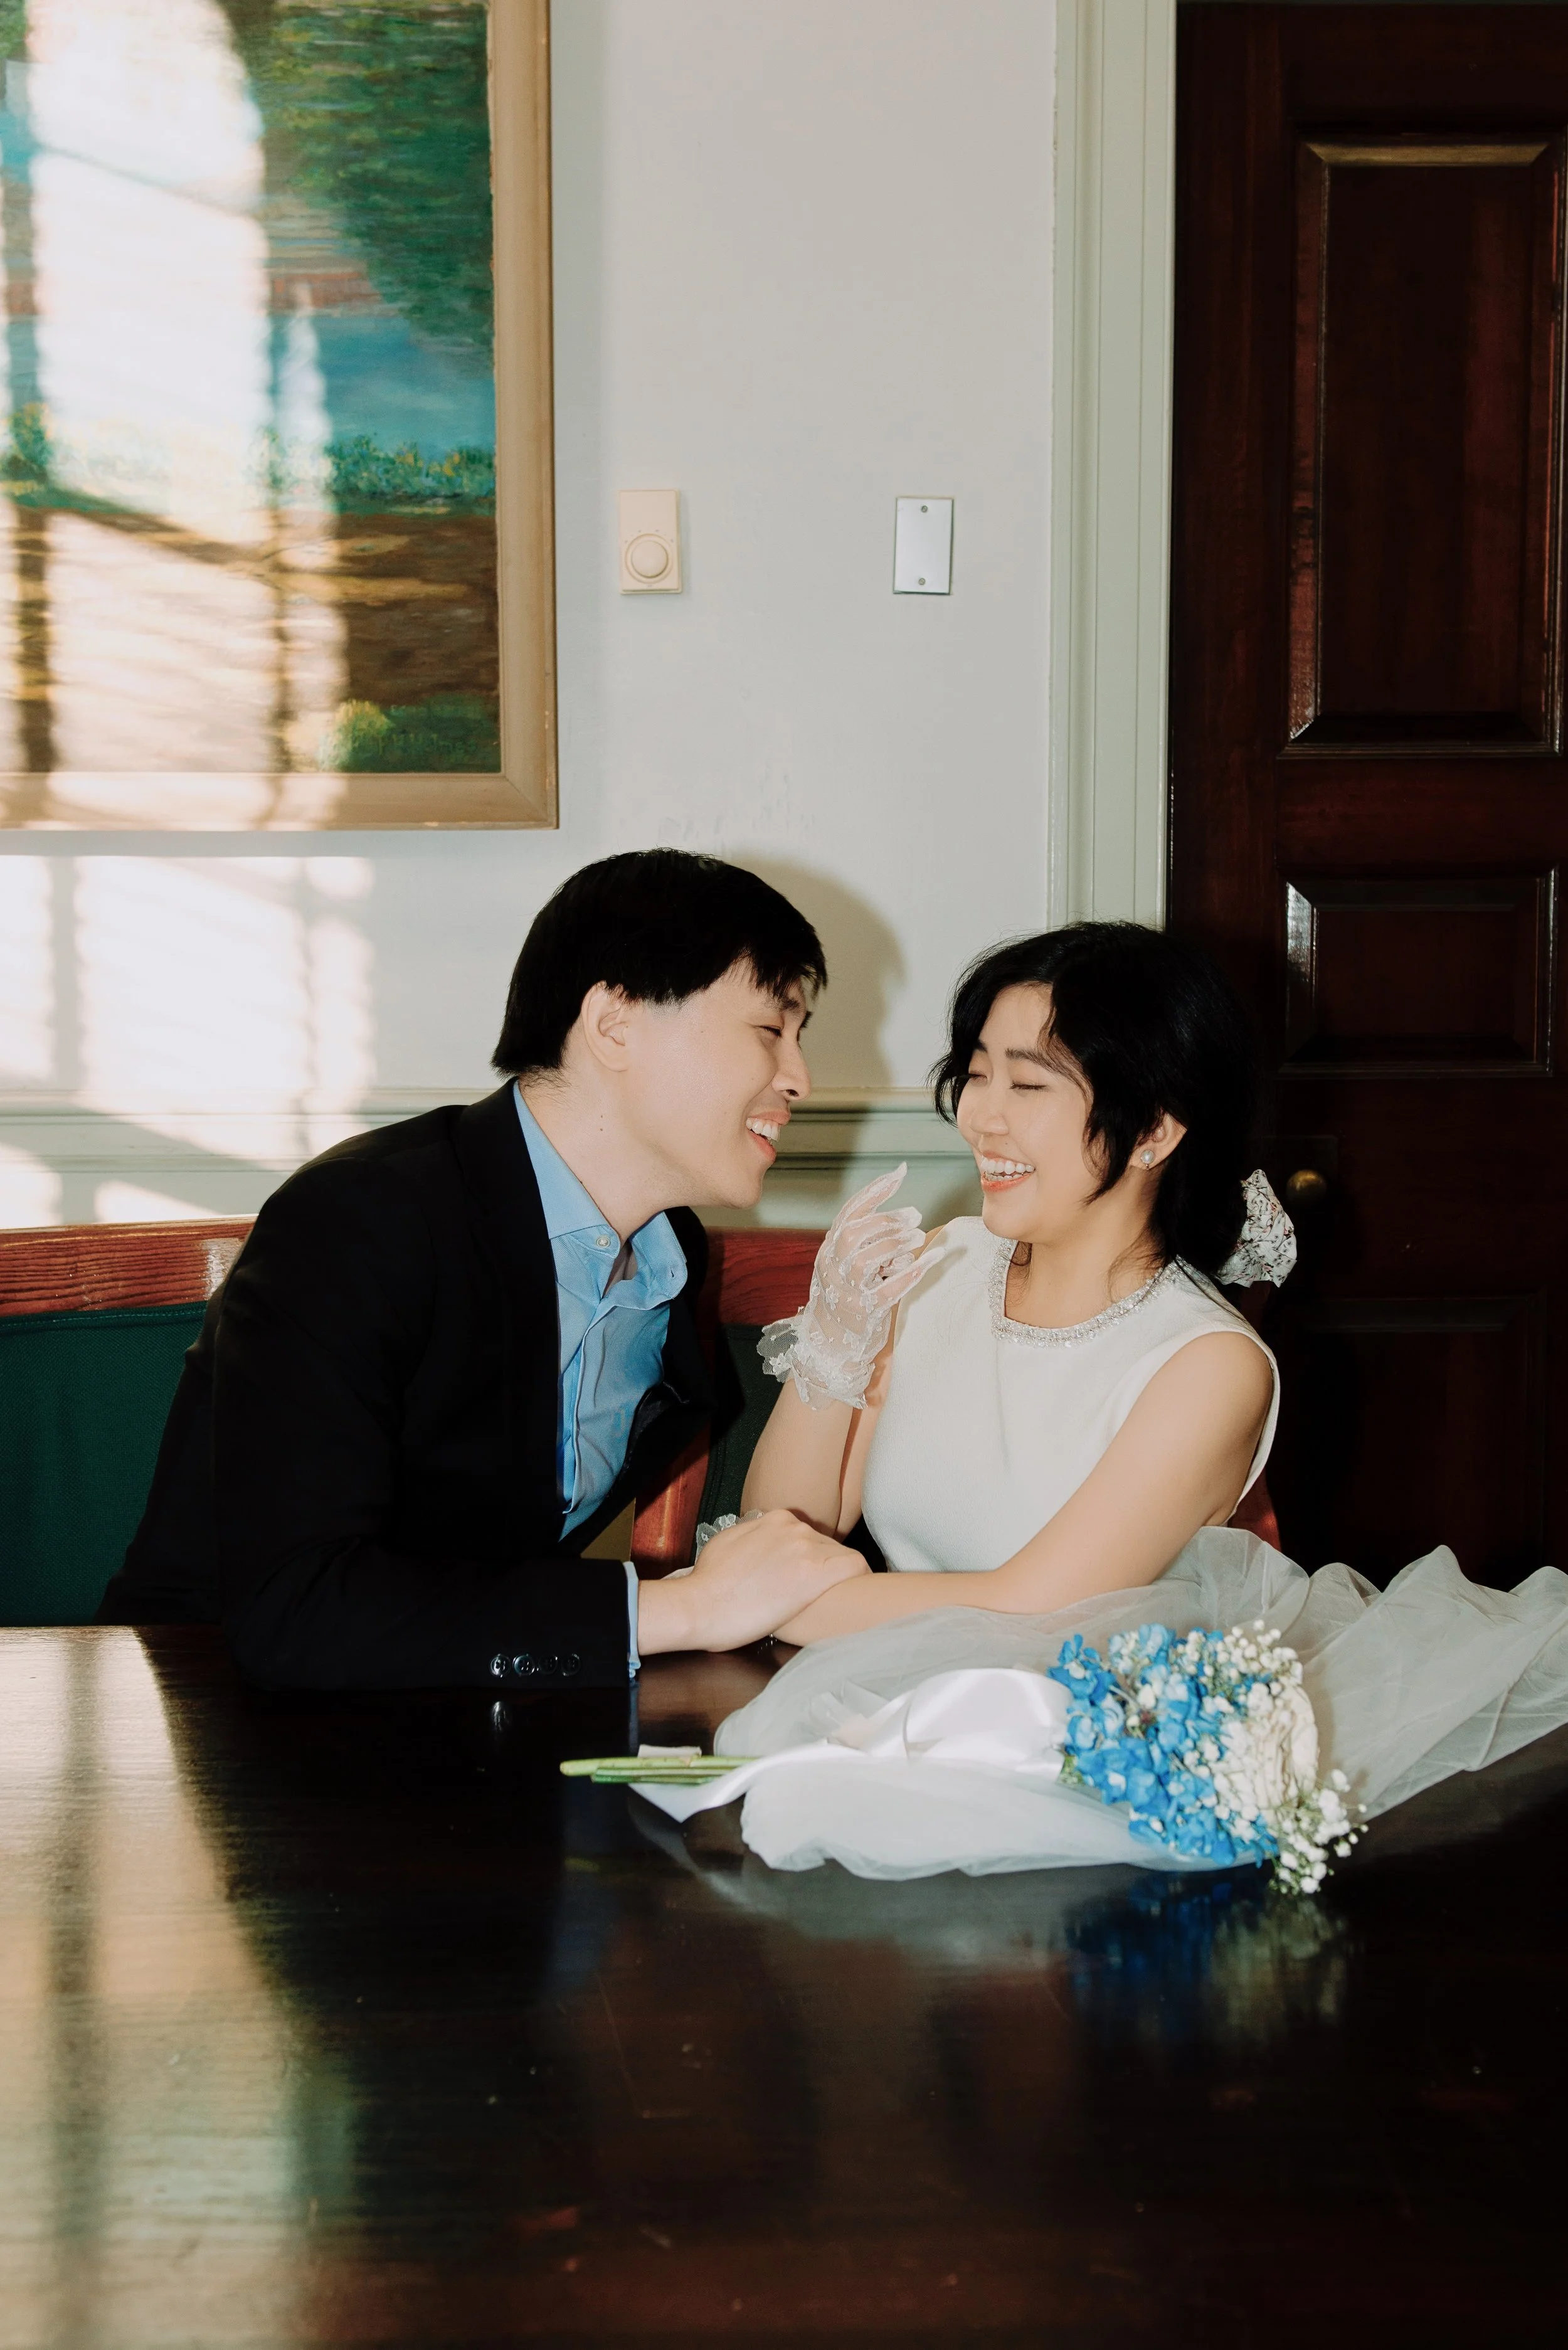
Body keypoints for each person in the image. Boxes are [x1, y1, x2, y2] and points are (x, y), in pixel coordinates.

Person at [97, 850, 867, 1688]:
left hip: (470, 1717)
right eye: (770, 1030)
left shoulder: (669, 1257)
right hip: (212, 1713)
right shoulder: (360, 1216)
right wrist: (684, 1608)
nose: (800, 1078)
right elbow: (298, 1606)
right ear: (615, 1023)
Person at [743, 921, 1283, 1641]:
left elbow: (1037, 1609)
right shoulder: (941, 1264)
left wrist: (765, 1606)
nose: (979, 1118)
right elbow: (776, 1531)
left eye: (1027, 1084)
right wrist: (831, 1347)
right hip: (883, 1680)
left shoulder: (1210, 1364)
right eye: (976, 1074)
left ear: (1154, 1130)